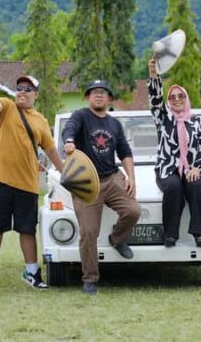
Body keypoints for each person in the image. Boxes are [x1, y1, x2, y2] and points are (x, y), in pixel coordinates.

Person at [0, 75, 65, 291]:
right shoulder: (5, 106)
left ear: (36, 95)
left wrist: (65, 172)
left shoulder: (41, 120)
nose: (22, 92)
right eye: (19, 88)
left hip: (27, 183)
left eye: (28, 89)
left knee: (27, 230)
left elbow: (51, 150)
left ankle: (32, 272)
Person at [61, 80, 140, 296]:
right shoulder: (80, 116)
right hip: (85, 181)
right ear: (87, 97)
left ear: (110, 99)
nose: (98, 96)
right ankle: (90, 279)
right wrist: (68, 142)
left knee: (133, 211)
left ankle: (117, 239)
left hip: (112, 177)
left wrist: (131, 178)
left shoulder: (114, 124)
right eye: (94, 92)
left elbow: (125, 152)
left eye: (103, 93)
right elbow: (69, 130)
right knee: (88, 232)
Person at [148, 57, 201, 248]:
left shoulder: (198, 120)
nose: (176, 99)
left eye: (180, 96)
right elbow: (155, 100)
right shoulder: (163, 119)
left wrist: (198, 168)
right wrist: (154, 75)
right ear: (168, 101)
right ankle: (170, 235)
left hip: (193, 168)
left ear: (186, 99)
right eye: (172, 97)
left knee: (197, 186)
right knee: (174, 187)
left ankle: (199, 233)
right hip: (167, 170)